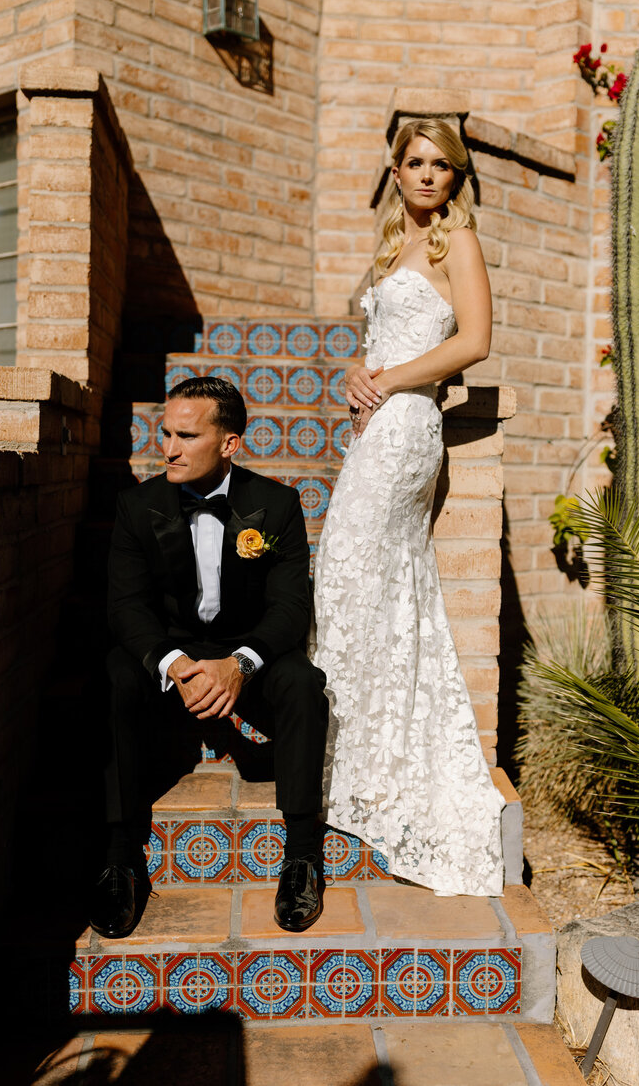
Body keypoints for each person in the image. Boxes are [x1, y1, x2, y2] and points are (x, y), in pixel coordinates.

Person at [312, 118, 505, 897]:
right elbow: (384, 340)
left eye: (441, 166)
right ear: (396, 173)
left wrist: (390, 382)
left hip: (408, 431)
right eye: (415, 163)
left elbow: (478, 341)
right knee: (354, 575)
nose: (427, 176)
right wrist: (361, 371)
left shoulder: (455, 242)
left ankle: (371, 759)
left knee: (354, 566)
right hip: (377, 425)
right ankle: (351, 746)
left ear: (456, 179)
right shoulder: (390, 246)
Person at [90, 376, 328, 938]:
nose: (167, 448)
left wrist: (241, 664)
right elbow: (125, 607)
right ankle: (120, 856)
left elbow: (291, 609)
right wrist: (172, 663)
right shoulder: (136, 505)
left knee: (302, 682)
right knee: (113, 677)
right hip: (170, 652)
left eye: (186, 436)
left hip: (246, 650)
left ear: (229, 444)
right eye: (165, 432)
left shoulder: (276, 505)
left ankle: (301, 856)